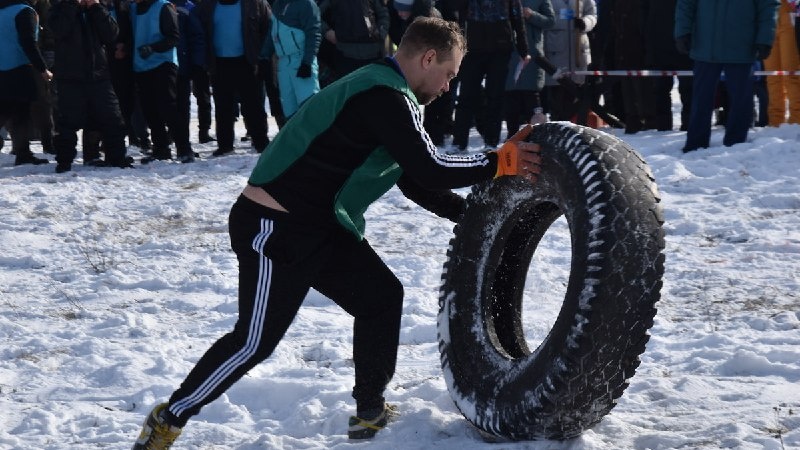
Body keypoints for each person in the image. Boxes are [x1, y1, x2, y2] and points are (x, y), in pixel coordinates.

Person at [130, 17, 542, 449]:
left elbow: (415, 181)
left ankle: (369, 413)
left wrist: (474, 217)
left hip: (319, 225)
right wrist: (500, 161)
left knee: (381, 298)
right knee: (254, 342)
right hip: (276, 226)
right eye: (449, 74)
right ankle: (169, 418)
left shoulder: (390, 95)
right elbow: (431, 167)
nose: (447, 87)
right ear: (428, 58)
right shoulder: (383, 95)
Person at [675, 0, 779, 153]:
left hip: (741, 47)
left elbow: (767, 6)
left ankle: (736, 143)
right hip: (706, 46)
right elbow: (686, 4)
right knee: (700, 99)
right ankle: (696, 142)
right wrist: (682, 31)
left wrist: (765, 38)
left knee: (741, 100)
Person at [49, 0, 133, 172]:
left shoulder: (96, 9)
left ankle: (117, 157)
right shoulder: (58, 8)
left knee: (112, 118)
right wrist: (72, 5)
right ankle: (64, 161)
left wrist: (96, 7)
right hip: (70, 77)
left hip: (98, 74)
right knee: (67, 122)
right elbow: (59, 30)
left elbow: (112, 33)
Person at [450, 0, 531, 151]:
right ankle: (459, 143)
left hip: (500, 47)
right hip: (473, 48)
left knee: (495, 96)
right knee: (466, 96)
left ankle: (491, 142)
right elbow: (457, 13)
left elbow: (517, 17)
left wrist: (523, 49)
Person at [196, 0, 270, 156]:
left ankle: (261, 142)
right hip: (219, 63)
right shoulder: (208, 5)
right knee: (223, 107)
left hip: (248, 62)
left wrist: (263, 57)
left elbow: (267, 30)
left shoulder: (255, 3)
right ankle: (225, 145)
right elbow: (200, 33)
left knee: (253, 106)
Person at [130, 0, 186, 162]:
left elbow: (174, 37)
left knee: (167, 107)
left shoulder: (163, 6)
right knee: (150, 110)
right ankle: (161, 148)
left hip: (163, 63)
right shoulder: (133, 9)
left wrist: (153, 48)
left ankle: (184, 148)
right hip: (141, 65)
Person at [0, 0, 52, 166]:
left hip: (2, 68)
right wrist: (42, 68)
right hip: (19, 67)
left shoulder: (3, 10)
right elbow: (28, 42)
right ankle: (23, 153)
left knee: (17, 111)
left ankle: (23, 152)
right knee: (16, 111)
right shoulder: (25, 11)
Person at [260, 0, 321, 119]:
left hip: (301, 61)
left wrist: (307, 62)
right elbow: (272, 33)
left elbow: (313, 34)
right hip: (283, 64)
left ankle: (315, 132)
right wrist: (264, 56)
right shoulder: (277, 4)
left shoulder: (307, 4)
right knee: (290, 111)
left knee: (309, 107)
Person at [504, 0, 554, 138]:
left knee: (531, 97)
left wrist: (532, 15)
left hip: (531, 54)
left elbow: (550, 21)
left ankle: (535, 137)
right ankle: (512, 138)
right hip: (508, 53)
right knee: (511, 99)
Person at [541, 0, 596, 121]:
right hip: (556, 51)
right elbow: (542, 18)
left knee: (577, 95)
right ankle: (558, 122)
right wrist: (563, 20)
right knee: (558, 95)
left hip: (578, 53)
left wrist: (585, 22)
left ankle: (575, 124)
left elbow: (592, 15)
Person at [318, 0, 389, 80]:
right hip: (345, 56)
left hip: (373, 54)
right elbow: (315, 14)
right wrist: (327, 31)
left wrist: (381, 33)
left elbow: (384, 14)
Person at [763, 0, 800, 125]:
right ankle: (775, 120)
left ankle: (797, 118)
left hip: (789, 14)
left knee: (791, 73)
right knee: (772, 76)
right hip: (768, 17)